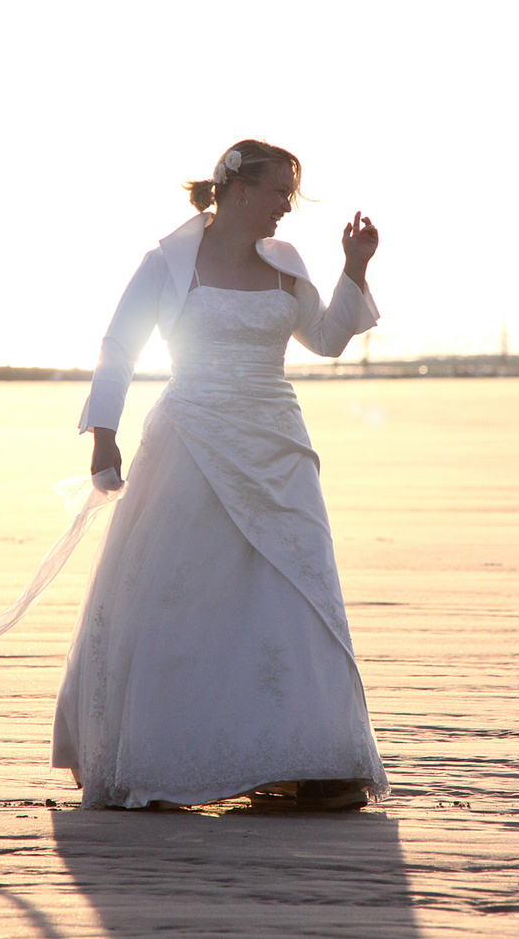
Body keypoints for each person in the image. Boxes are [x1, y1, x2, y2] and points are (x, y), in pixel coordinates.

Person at [51, 140, 390, 810]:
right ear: (237, 188)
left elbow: (323, 339)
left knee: (295, 592)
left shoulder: (286, 264)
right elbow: (119, 346)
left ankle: (311, 758)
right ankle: (162, 756)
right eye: (276, 192)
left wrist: (354, 268)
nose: (284, 208)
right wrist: (104, 437)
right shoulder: (168, 264)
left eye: (289, 196)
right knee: (181, 595)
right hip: (191, 438)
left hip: (278, 443)